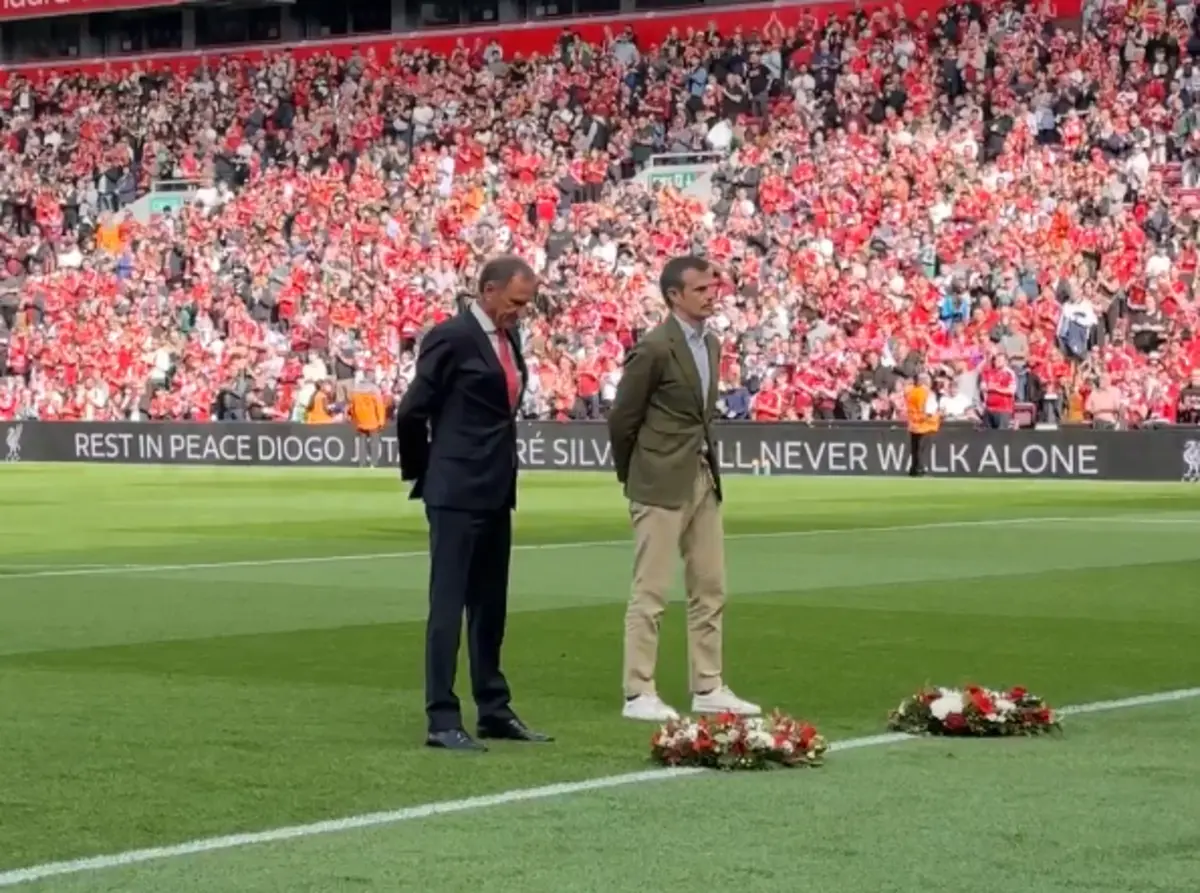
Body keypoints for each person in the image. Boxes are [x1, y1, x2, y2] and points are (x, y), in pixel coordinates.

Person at [394, 255, 552, 752]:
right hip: (456, 488)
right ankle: (442, 716)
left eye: (526, 305)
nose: (521, 313)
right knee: (448, 604)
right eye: (514, 302)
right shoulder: (452, 336)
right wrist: (427, 471)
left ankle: (493, 708)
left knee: (491, 604)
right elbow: (411, 410)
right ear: (487, 290)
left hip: (495, 486)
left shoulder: (508, 338)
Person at [606, 254, 760, 723]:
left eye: (714, 287)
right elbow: (623, 417)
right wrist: (634, 474)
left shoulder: (710, 344)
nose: (712, 294)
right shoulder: (654, 347)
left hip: (702, 475)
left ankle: (708, 685)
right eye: (701, 289)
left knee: (710, 586)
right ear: (674, 295)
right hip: (658, 477)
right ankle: (638, 690)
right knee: (651, 591)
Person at [905, 371, 940, 477]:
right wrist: (939, 413)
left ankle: (914, 469)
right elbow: (930, 410)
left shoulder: (911, 392)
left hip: (913, 424)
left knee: (915, 449)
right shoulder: (927, 393)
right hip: (925, 424)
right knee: (922, 449)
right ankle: (920, 469)